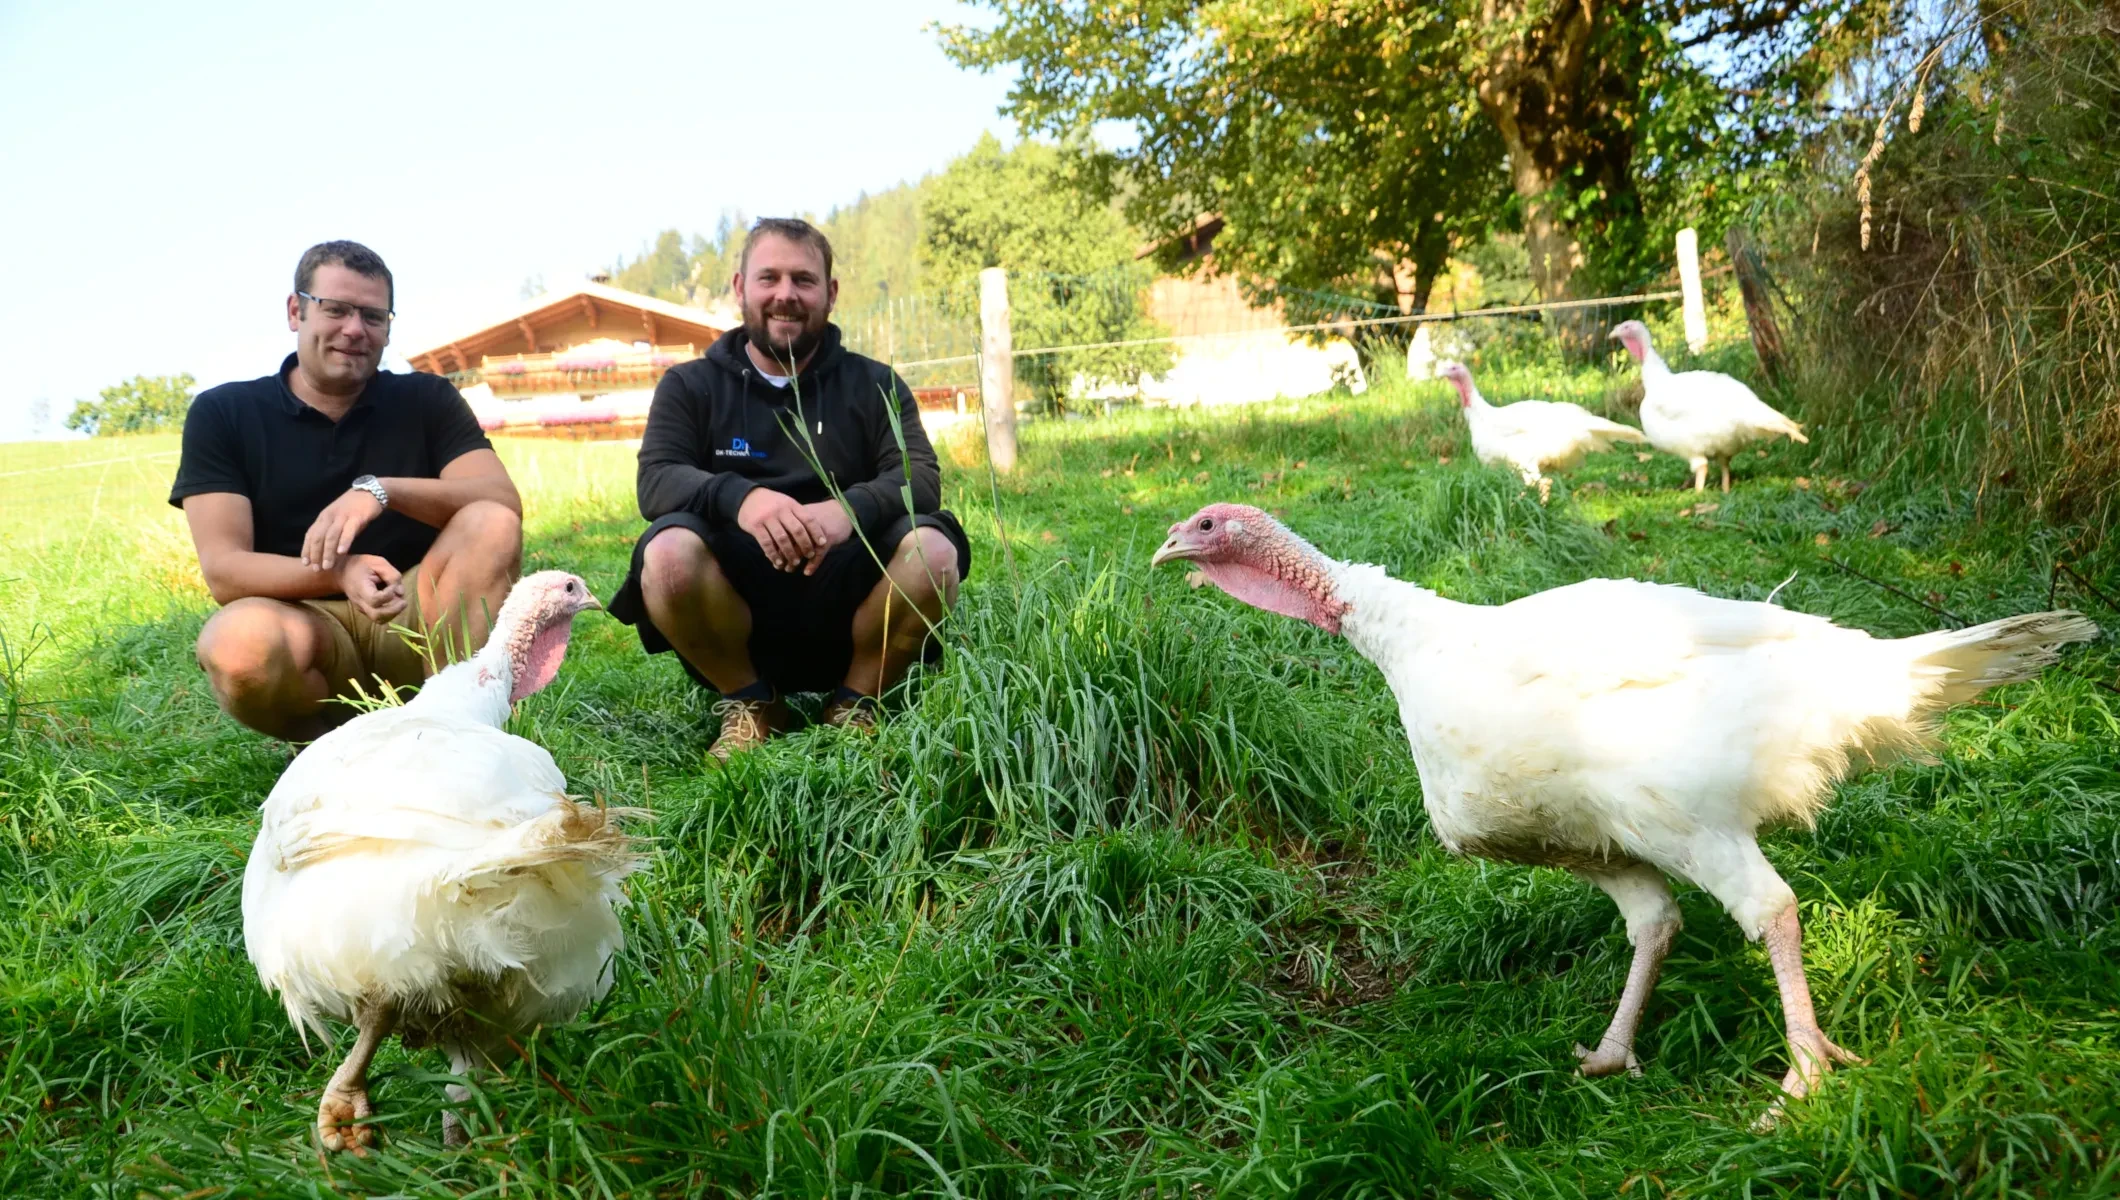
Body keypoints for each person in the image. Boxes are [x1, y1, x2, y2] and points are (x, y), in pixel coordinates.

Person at [609, 218, 970, 759]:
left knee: (934, 551)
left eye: (803, 279)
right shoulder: (689, 386)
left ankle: (857, 702)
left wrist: (846, 511)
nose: (785, 294)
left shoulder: (876, 385)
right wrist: (743, 499)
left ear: (831, 293)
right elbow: (656, 479)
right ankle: (751, 702)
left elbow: (920, 478)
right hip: (734, 598)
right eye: (768, 278)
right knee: (666, 555)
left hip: (854, 592)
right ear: (739, 288)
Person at [170, 240, 524, 742]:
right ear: (296, 311)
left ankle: (452, 729)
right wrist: (340, 570)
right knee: (236, 644)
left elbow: (500, 499)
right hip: (301, 621)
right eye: (335, 310)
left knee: (491, 522)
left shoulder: (426, 399)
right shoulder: (224, 413)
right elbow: (225, 569)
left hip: (418, 614)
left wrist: (381, 491)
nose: (355, 330)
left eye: (373, 317)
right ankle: (326, 751)